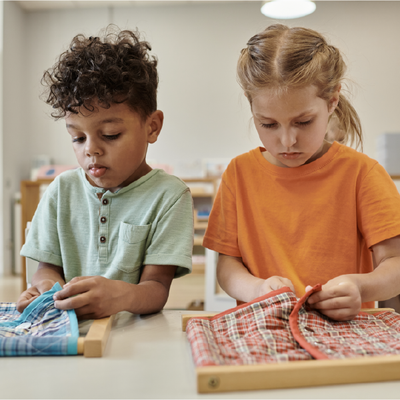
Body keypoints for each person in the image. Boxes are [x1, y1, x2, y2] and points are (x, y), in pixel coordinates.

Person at [203, 24, 400, 321]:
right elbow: (227, 267)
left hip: (344, 336)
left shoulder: (363, 173)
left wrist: (360, 287)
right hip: (262, 331)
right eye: (268, 124)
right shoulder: (238, 174)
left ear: (332, 100)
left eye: (304, 122)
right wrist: (258, 289)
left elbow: (395, 265)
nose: (287, 141)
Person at [17, 26, 194, 319]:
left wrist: (120, 296)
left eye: (110, 134)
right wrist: (46, 289)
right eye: (77, 138)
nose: (91, 150)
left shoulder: (170, 197)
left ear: (152, 127)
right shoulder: (61, 190)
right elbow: (46, 268)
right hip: (69, 333)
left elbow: (156, 288)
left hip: (135, 338)